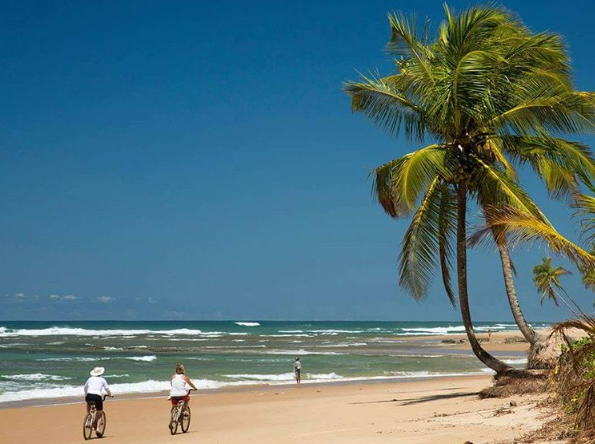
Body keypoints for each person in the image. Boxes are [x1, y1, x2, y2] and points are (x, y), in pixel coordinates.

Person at [84, 366, 112, 438]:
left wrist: (86, 394)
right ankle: (98, 429)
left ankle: (88, 417)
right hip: (97, 397)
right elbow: (107, 388)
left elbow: (85, 387)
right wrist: (110, 394)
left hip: (89, 395)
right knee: (99, 413)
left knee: (88, 403)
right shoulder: (102, 379)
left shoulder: (90, 379)